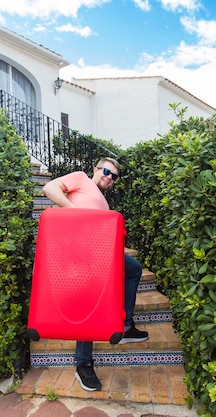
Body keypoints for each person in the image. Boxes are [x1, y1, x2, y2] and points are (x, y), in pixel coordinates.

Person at [42, 157, 149, 391]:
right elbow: (49, 188)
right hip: (82, 253)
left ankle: (126, 324)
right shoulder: (80, 178)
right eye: (107, 171)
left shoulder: (103, 201)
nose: (109, 177)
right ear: (95, 169)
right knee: (87, 302)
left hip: (103, 252)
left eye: (114, 176)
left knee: (133, 268)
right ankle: (83, 364)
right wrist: (75, 212)